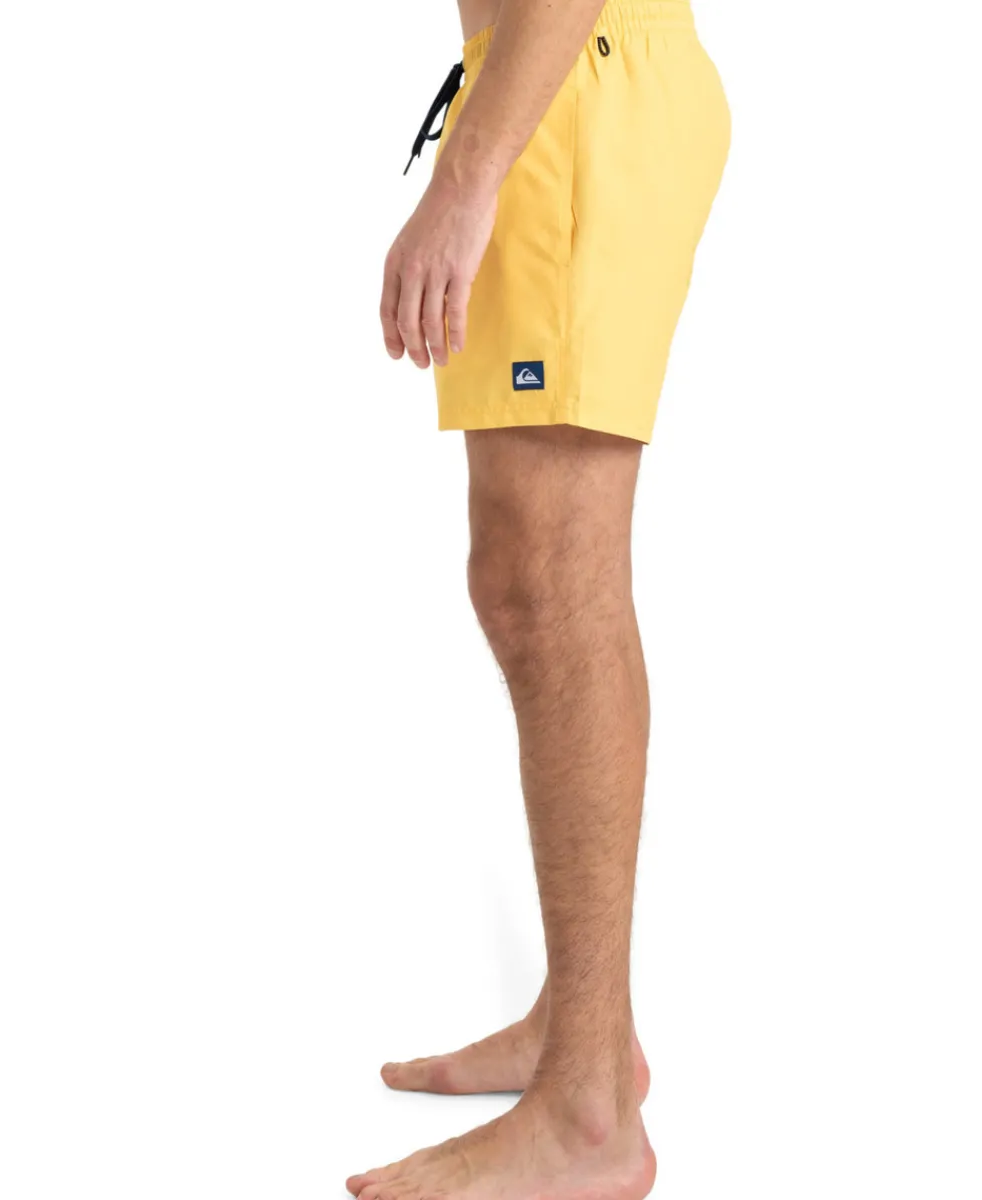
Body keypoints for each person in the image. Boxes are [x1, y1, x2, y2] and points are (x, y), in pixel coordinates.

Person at [348, 1, 729, 1196]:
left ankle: (588, 1116)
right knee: (532, 576)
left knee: (548, 581)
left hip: (573, 88)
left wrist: (468, 178)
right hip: (558, 85)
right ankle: (585, 1033)